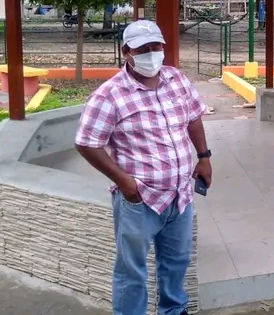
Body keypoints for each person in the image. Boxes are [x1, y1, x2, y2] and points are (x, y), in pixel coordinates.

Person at [75, 20, 212, 315]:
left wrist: (204, 157)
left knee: (176, 261)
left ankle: (173, 310)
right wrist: (123, 181)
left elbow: (193, 117)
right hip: (139, 199)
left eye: (156, 47)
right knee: (131, 270)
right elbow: (87, 143)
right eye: (143, 49)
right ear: (126, 52)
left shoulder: (176, 79)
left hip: (180, 195)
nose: (152, 54)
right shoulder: (108, 95)